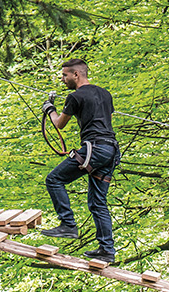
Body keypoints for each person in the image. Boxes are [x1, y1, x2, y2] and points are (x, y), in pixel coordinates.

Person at [41, 58, 119, 264]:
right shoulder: (105, 94)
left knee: (54, 179)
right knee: (98, 203)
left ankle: (67, 224)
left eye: (65, 75)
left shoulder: (75, 97)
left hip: (95, 149)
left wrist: (50, 109)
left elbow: (59, 124)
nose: (63, 79)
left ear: (76, 75)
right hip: (110, 150)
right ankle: (107, 250)